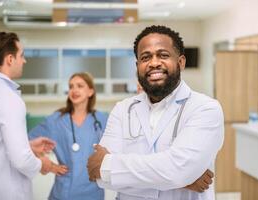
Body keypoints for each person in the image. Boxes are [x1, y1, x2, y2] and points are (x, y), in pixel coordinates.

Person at [87, 25, 224, 200]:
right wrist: (182, 180)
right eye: (146, 57)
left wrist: (111, 168)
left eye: (163, 55)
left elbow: (177, 171)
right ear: (138, 66)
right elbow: (99, 175)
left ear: (181, 62)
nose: (154, 62)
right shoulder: (123, 109)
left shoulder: (205, 108)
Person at [0, 31, 55, 200]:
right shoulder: (8, 98)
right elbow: (21, 159)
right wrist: (42, 164)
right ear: (10, 59)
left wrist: (27, 145)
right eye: (22, 55)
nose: (24, 61)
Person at [29, 72, 108, 200]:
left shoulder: (101, 120)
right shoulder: (55, 120)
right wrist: (47, 164)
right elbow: (25, 143)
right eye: (71, 86)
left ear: (90, 92)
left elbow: (116, 149)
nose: (74, 90)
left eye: (80, 86)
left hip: (93, 192)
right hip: (63, 192)